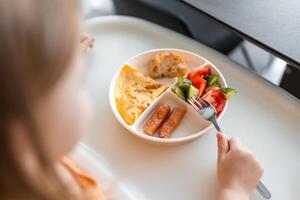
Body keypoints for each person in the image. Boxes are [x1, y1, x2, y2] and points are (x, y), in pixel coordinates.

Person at [0, 0, 263, 199]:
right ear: (27, 121)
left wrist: (58, 58)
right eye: (77, 81)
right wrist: (234, 191)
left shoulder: (29, 164)